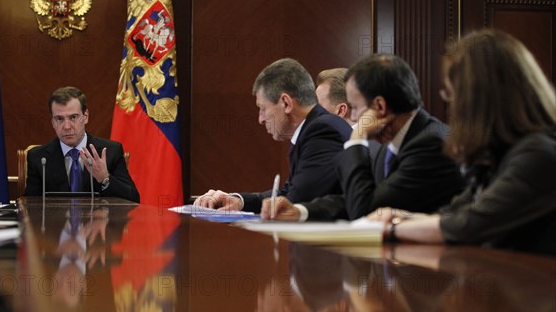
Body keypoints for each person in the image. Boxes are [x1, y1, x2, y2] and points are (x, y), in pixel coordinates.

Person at [367, 29, 556, 255]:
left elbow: (471, 224)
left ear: (479, 98)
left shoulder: (538, 153)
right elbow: (455, 213)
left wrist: (392, 229)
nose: (452, 105)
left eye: (452, 94)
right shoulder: (502, 152)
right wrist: (402, 216)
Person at [263, 54, 464, 221]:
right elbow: (351, 199)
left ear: (380, 107)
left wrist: (356, 138)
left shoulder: (431, 144)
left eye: (357, 108)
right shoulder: (387, 145)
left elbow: (363, 210)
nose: (353, 117)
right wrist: (300, 211)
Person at [194, 58, 352, 213]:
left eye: (263, 108)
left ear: (286, 103)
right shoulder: (314, 128)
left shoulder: (322, 132)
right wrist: (238, 201)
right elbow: (287, 192)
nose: (260, 119)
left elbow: (296, 202)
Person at [25, 86, 140, 202]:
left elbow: (133, 199)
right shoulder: (38, 158)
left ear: (85, 117)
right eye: (59, 119)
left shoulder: (110, 151)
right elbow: (29, 207)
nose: (66, 126)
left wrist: (104, 178)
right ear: (53, 122)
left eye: (73, 117)